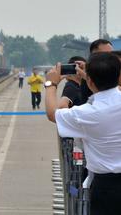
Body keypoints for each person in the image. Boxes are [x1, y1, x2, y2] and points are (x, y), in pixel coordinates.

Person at [45, 52, 121, 214]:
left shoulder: (88, 113)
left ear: (91, 82)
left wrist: (51, 83)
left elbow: (53, 114)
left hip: (107, 187)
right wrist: (88, 76)